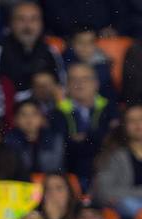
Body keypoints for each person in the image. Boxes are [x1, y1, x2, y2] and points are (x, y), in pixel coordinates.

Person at [51, 63, 120, 192]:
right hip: (73, 172)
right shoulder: (57, 113)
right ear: (67, 85)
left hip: (106, 172)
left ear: (96, 83)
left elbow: (113, 141)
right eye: (74, 79)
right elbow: (64, 147)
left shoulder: (111, 108)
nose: (80, 83)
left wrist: (84, 138)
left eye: (85, 79)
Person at [0, 1, 61, 95]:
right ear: (11, 23)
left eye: (33, 19)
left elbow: (60, 84)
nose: (27, 26)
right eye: (21, 19)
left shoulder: (50, 50)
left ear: (41, 23)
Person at [4, 99, 65, 175]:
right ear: (15, 120)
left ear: (42, 118)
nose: (29, 119)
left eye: (34, 114)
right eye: (23, 114)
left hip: (49, 184)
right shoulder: (8, 141)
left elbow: (57, 168)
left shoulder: (55, 139)